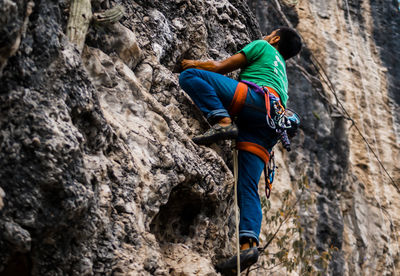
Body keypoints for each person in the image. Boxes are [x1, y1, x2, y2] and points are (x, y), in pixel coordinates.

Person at [179, 27, 302, 274]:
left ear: (275, 39)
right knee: (247, 187)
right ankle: (249, 245)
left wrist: (189, 63)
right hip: (268, 127)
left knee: (192, 76)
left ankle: (222, 121)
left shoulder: (263, 46)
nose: (267, 35)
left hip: (253, 101)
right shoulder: (283, 77)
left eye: (270, 33)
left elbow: (220, 67)